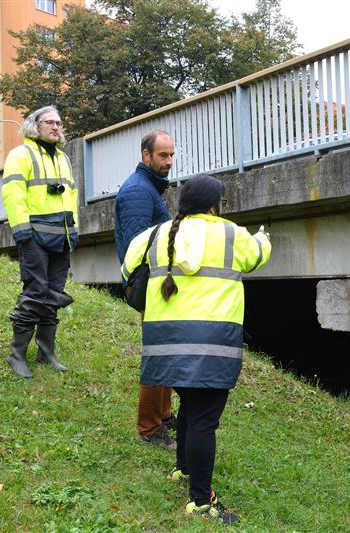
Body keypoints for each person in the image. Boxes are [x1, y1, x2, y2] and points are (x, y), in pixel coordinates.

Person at [121, 174, 272, 524]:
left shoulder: (156, 234)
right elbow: (256, 256)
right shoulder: (231, 234)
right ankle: (201, 503)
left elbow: (127, 268)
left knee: (190, 403)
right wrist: (264, 237)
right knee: (204, 419)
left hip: (164, 342)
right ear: (213, 205)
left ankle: (183, 469)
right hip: (211, 344)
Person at [2, 105, 78, 378]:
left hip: (61, 236)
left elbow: (71, 196)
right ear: (35, 125)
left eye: (59, 123)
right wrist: (22, 232)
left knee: (54, 293)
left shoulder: (63, 158)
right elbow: (13, 194)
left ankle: (46, 353)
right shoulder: (20, 155)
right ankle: (17, 354)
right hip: (34, 236)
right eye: (50, 122)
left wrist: (74, 229)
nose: (56, 127)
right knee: (35, 292)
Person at [115, 130, 177, 449]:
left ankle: (163, 415)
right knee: (157, 354)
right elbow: (138, 248)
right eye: (163, 155)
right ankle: (149, 428)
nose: (169, 161)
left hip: (156, 285)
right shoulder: (138, 191)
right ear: (146, 155)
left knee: (165, 351)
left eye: (172, 155)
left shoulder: (148, 187)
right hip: (150, 286)